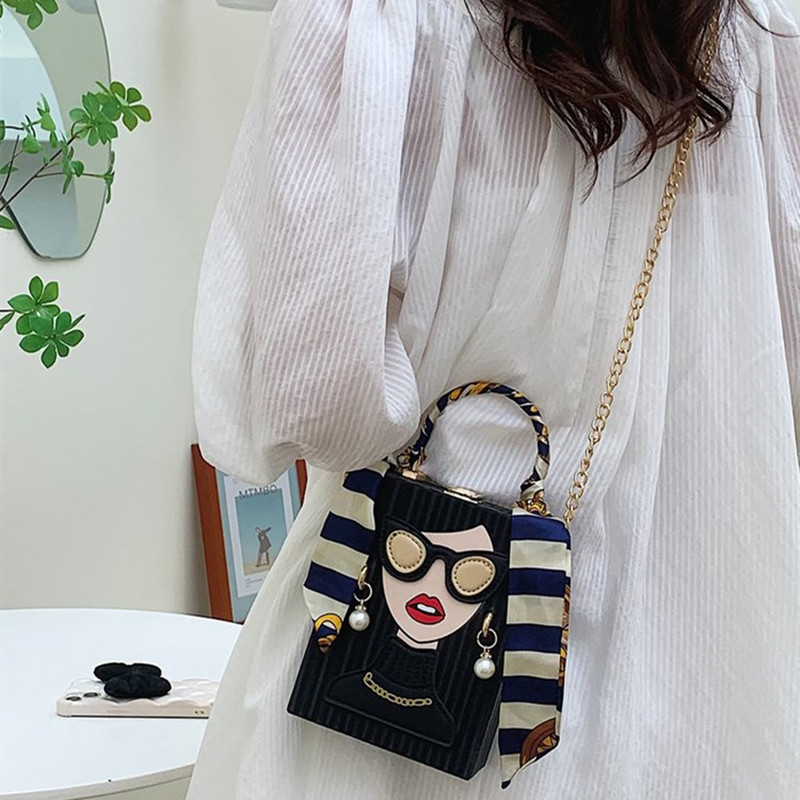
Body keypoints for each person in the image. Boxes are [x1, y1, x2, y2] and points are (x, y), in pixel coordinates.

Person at [188, 0, 800, 798]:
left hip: (373, 692)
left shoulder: (386, 20)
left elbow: (318, 408)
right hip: (709, 673)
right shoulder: (767, 40)